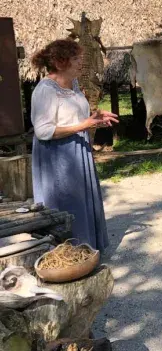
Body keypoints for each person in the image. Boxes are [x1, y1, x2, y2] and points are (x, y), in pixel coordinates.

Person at [30, 40, 118, 251]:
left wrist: (93, 117)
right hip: (58, 156)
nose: (82, 62)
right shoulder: (45, 90)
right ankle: (66, 255)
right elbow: (43, 131)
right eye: (76, 59)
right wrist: (84, 124)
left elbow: (71, 117)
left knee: (81, 203)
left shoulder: (73, 85)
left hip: (78, 150)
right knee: (66, 204)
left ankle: (85, 250)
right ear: (61, 63)